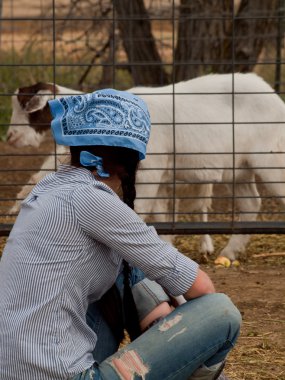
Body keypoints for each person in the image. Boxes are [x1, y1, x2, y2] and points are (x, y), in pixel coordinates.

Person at [0, 88, 241, 380]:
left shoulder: (48, 188)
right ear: (128, 163)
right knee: (220, 313)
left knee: (123, 262)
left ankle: (158, 321)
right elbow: (202, 288)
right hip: (61, 374)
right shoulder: (93, 199)